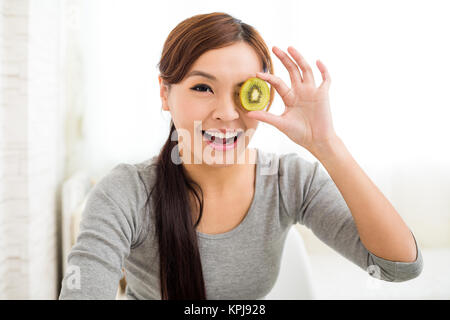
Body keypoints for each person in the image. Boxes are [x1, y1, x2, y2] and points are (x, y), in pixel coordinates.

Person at [59, 12, 423, 300]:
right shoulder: (125, 193)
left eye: (244, 91)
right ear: (164, 93)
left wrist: (326, 144)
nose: (227, 113)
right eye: (203, 87)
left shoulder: (290, 181)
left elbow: (398, 268)